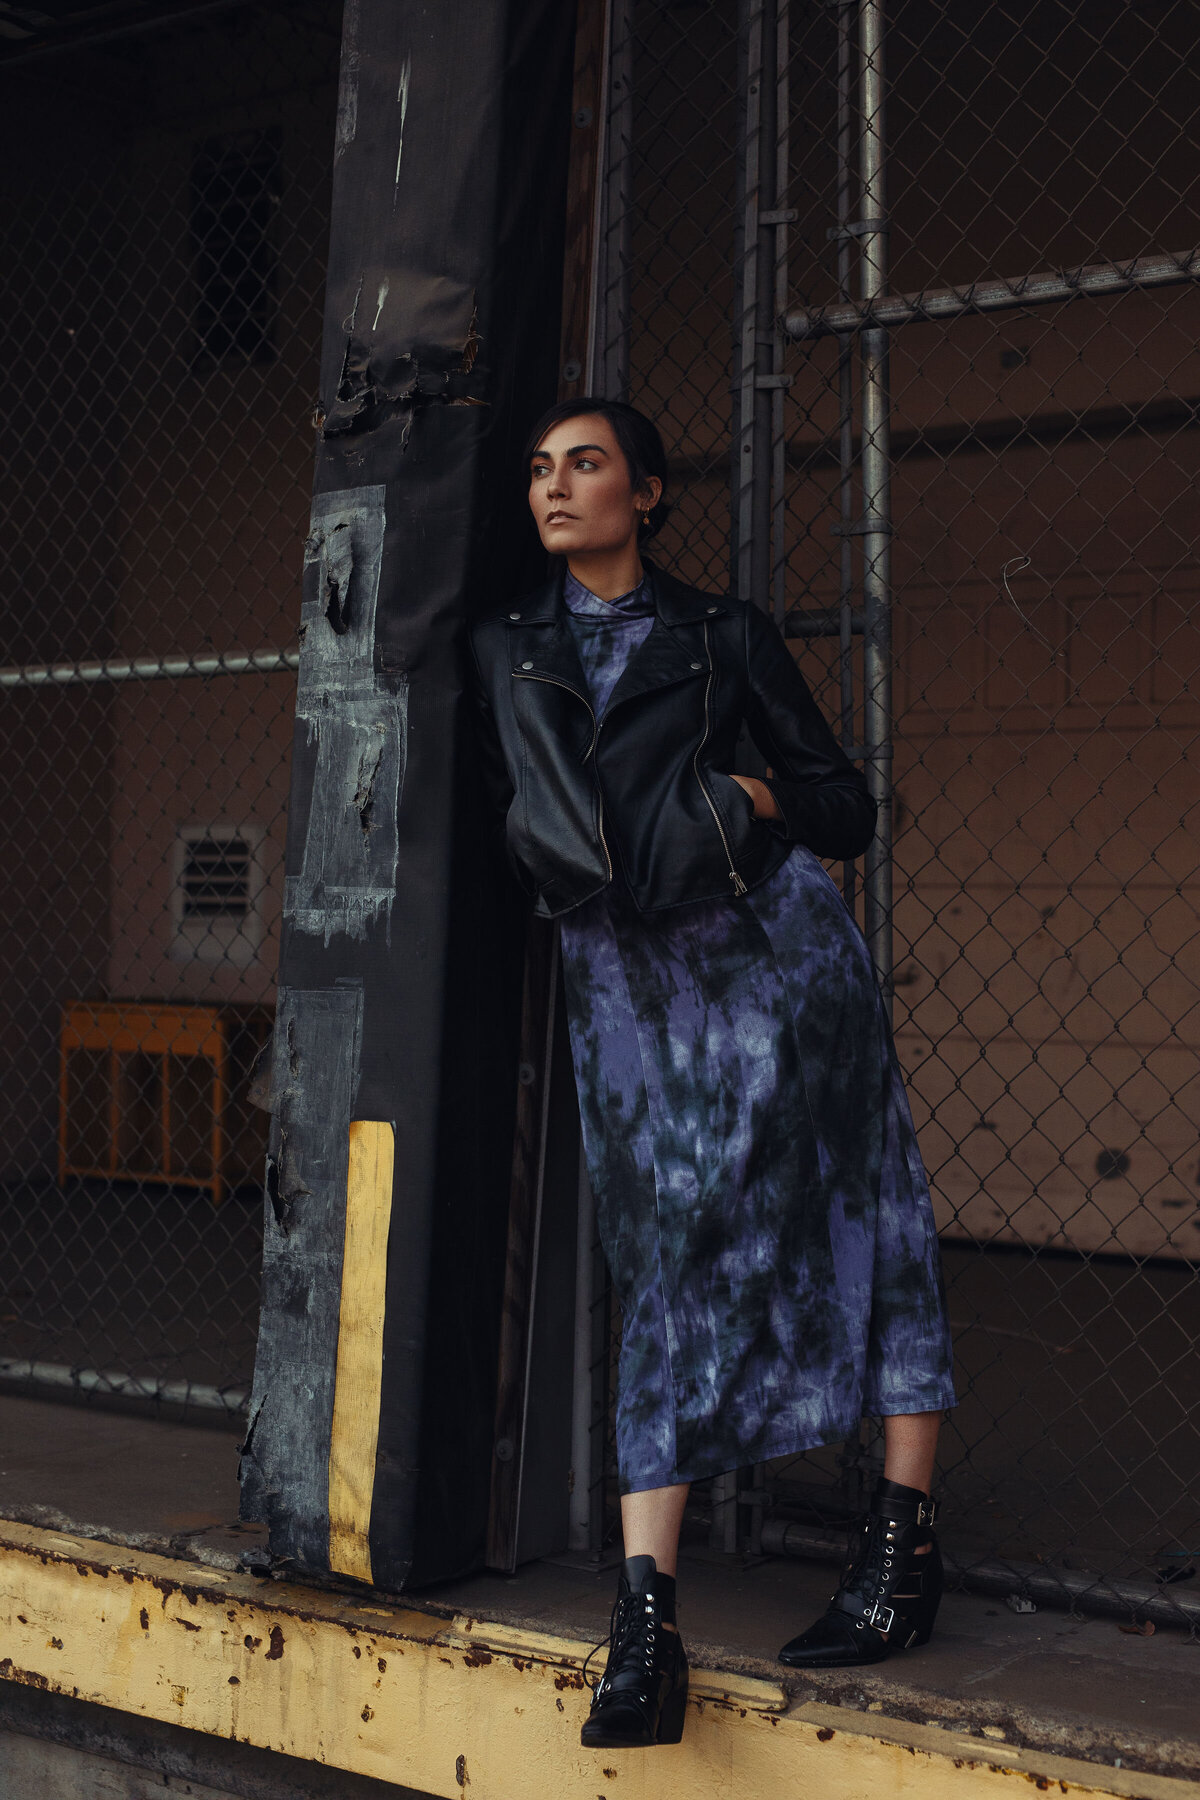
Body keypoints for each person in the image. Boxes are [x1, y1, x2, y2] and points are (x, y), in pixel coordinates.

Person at [466, 397, 956, 1752]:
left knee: (871, 1214)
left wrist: (757, 798)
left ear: (651, 492)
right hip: (632, 990)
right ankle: (644, 1624)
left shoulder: (723, 634)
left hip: (781, 968)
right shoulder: (508, 647)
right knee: (667, 1263)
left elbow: (847, 805)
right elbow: (541, 828)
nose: (557, 490)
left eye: (587, 465)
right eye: (539, 472)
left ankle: (902, 1556)